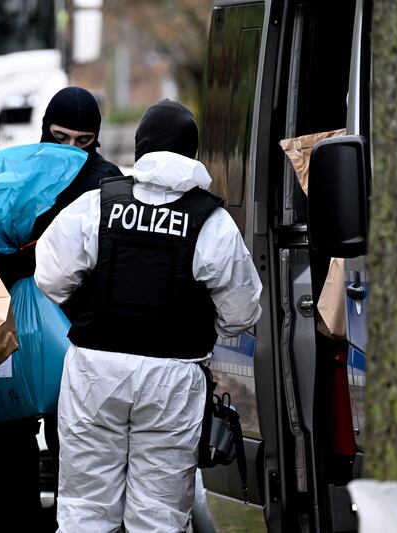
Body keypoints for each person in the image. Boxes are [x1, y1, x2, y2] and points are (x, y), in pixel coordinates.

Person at [34, 99, 262, 533]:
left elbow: (50, 277)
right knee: (157, 516)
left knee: (85, 510)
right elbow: (242, 312)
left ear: (141, 148)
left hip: (95, 372)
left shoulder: (98, 204)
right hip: (172, 379)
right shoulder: (211, 221)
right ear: (192, 153)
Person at [0, 86, 121, 533]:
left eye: (83, 141)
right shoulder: (17, 172)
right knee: (6, 457)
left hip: (75, 338)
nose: (71, 151)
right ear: (44, 130)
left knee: (74, 462)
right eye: (60, 138)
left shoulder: (107, 183)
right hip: (16, 332)